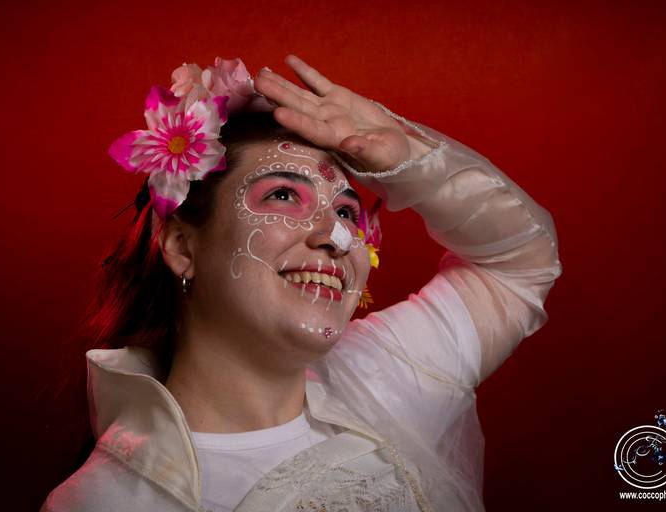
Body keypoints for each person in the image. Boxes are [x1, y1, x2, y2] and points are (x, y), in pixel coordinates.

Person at [41, 54, 562, 512]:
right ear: (181, 245)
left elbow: (520, 264)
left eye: (346, 212)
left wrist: (408, 158)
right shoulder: (102, 503)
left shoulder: (385, 377)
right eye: (284, 196)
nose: (336, 237)